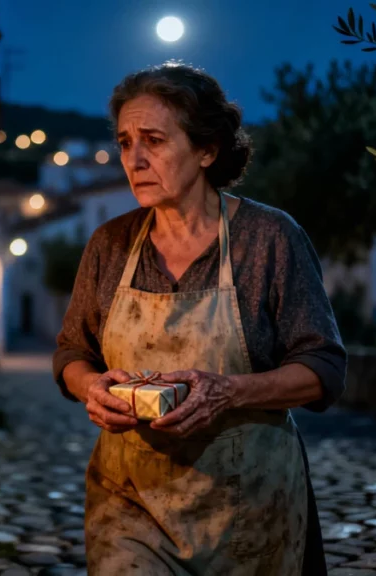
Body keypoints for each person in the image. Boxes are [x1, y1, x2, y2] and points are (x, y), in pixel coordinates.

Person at [53, 62, 346, 575]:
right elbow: (72, 353)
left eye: (154, 140)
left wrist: (227, 392)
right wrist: (92, 388)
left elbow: (323, 369)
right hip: (130, 503)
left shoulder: (270, 239)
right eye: (124, 142)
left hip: (248, 504)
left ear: (207, 149)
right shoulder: (110, 244)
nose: (134, 159)